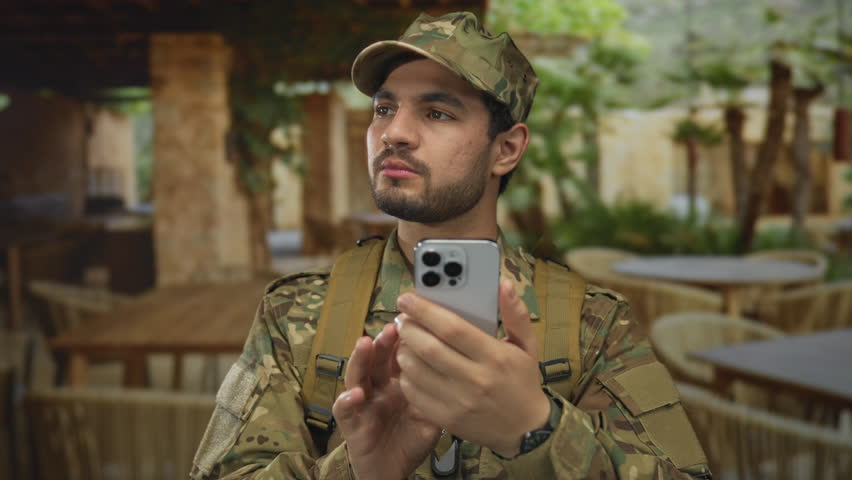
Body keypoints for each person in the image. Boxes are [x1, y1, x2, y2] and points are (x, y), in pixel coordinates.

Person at [191, 11, 711, 480]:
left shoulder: (591, 326)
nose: (394, 132)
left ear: (506, 149)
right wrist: (356, 470)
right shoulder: (297, 315)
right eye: (383, 108)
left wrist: (539, 432)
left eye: (437, 113)